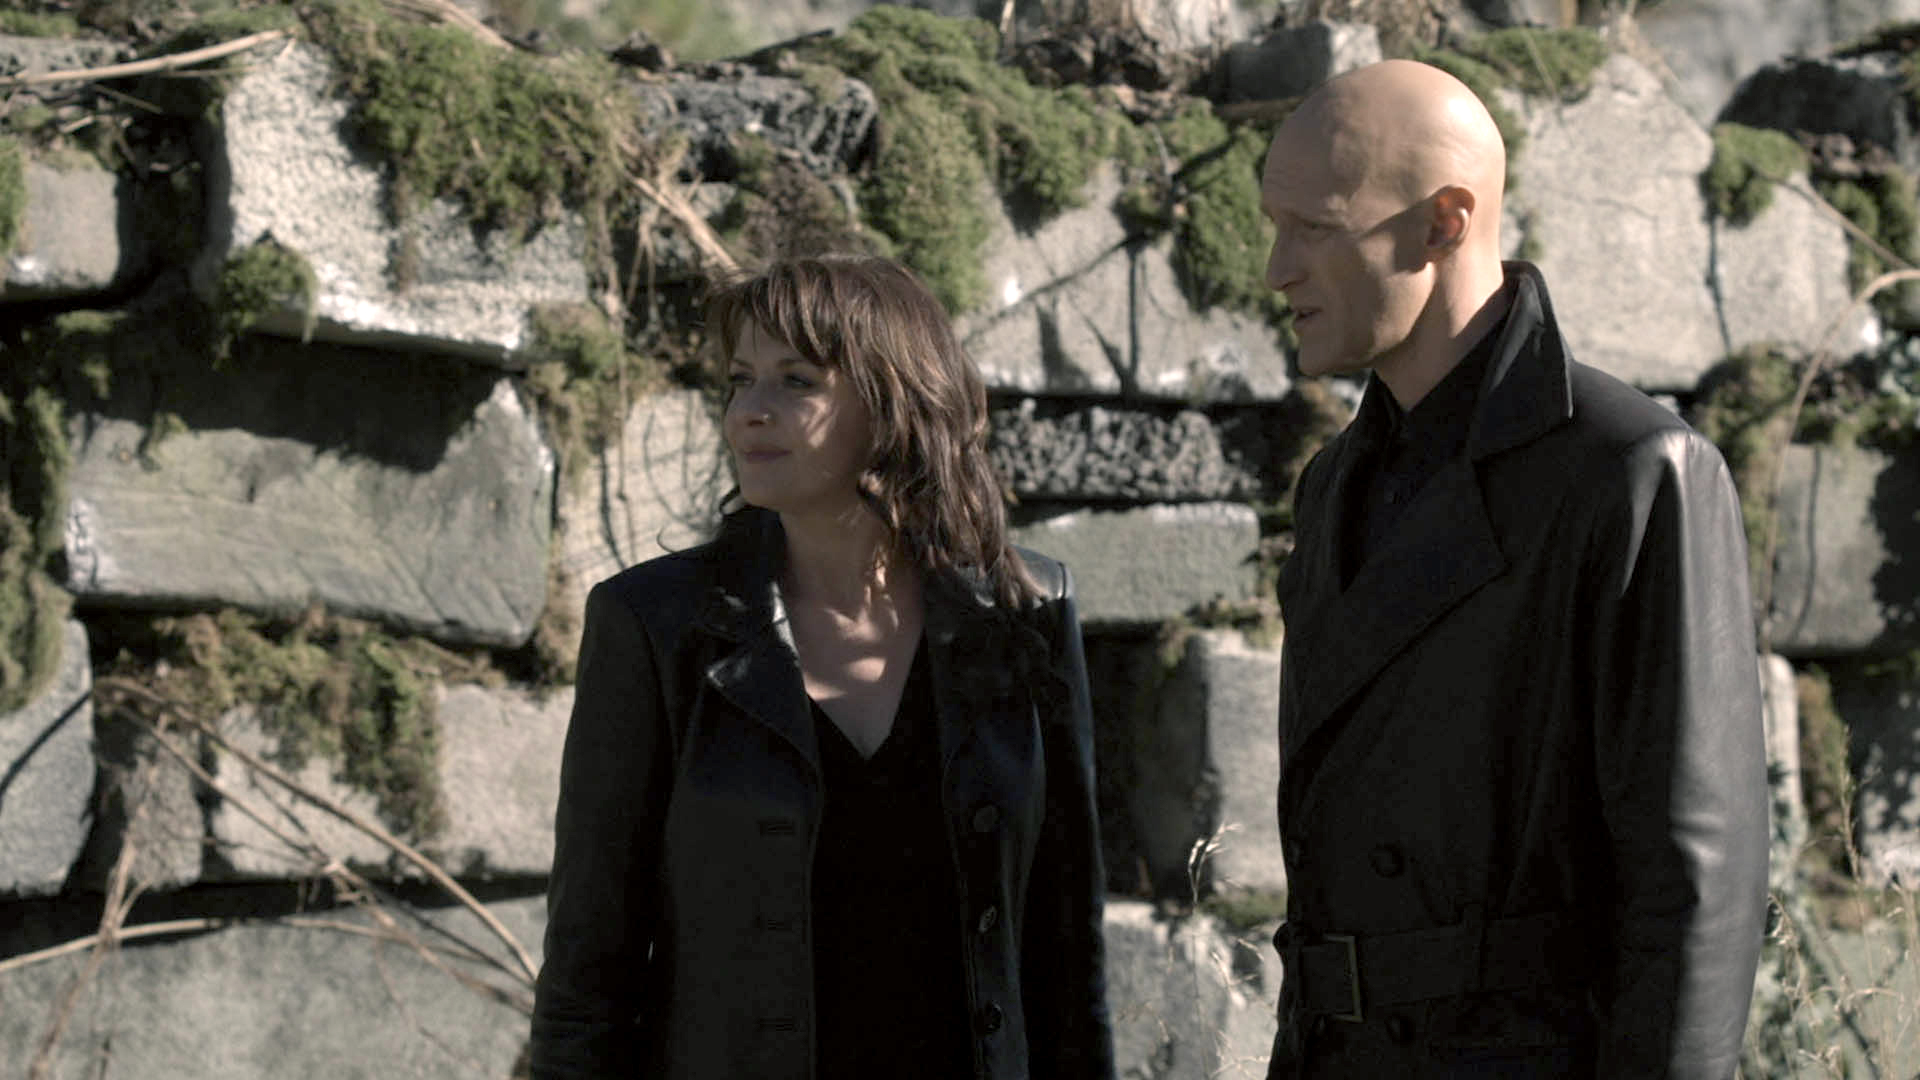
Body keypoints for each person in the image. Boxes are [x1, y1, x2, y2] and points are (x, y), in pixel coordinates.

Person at [1259, 60, 1769, 1077]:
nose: (1277, 270)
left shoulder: (1631, 471)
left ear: (1443, 222)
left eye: (1313, 228)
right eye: (1276, 228)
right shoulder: (1333, 485)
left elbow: (1697, 891)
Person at [529, 253, 1117, 1080]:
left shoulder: (1026, 611)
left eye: (796, 382)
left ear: (895, 401)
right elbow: (588, 971)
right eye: (741, 381)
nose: (748, 413)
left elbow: (1066, 953)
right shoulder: (655, 626)